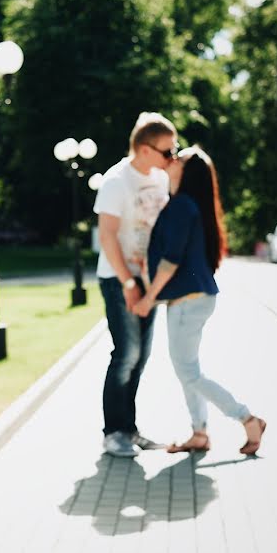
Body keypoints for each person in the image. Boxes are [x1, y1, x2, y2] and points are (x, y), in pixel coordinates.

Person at [131, 146, 266, 455]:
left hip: (188, 302)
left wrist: (148, 299)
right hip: (190, 301)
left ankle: (247, 419)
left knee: (189, 372)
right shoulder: (183, 205)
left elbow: (171, 260)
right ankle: (199, 433)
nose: (173, 157)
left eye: (181, 156)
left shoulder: (182, 206)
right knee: (188, 370)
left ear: (188, 171)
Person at [93, 112, 179, 457]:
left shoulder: (159, 179)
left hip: (147, 280)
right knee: (125, 354)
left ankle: (129, 429)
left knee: (140, 357)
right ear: (144, 150)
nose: (172, 158)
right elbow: (107, 235)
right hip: (118, 279)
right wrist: (128, 281)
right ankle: (113, 432)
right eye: (167, 151)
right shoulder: (116, 181)